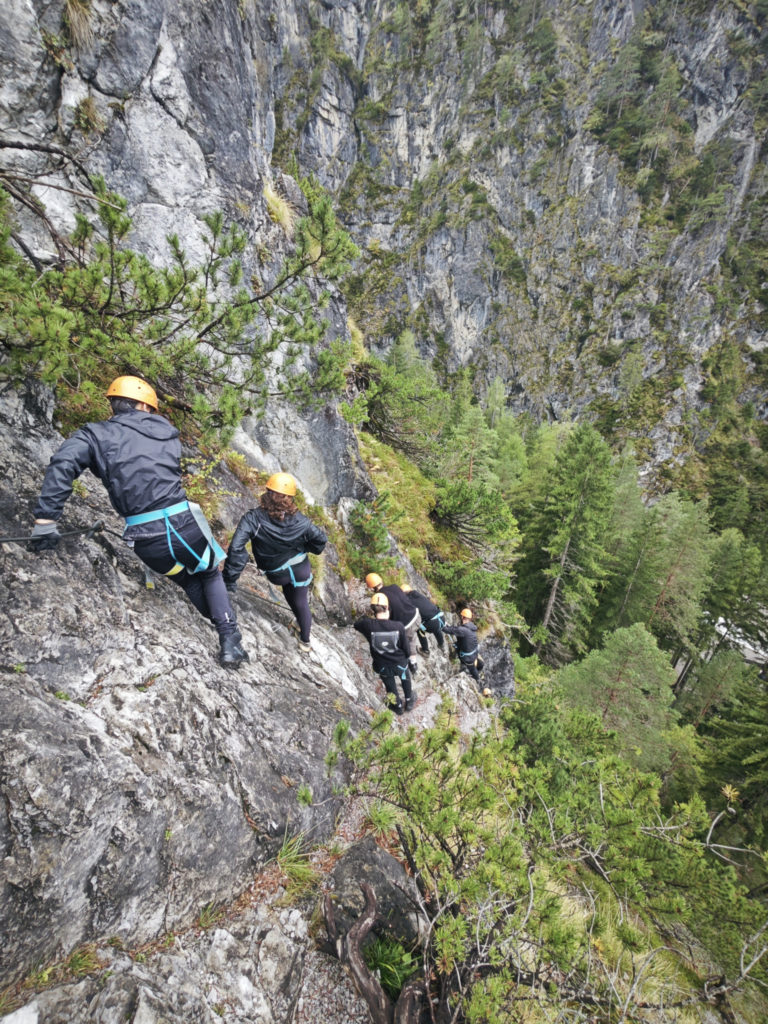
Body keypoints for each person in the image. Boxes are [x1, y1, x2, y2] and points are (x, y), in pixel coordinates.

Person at [29, 376, 248, 668]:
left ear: (113, 404)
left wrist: (46, 518)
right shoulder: (166, 431)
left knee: (186, 580)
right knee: (208, 573)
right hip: (185, 527)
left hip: (147, 540)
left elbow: (63, 463)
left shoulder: (94, 435)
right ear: (145, 405)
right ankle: (229, 639)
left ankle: (226, 630)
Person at [222, 472, 327, 653]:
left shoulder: (253, 519)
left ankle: (301, 629)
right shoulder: (302, 522)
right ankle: (305, 642)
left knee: (288, 591)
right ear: (291, 498)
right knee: (301, 602)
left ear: (268, 493)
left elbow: (236, 548)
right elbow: (320, 542)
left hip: (277, 573)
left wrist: (230, 580)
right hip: (300, 567)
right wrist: (306, 548)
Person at [354, 592, 416, 714]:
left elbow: (356, 625)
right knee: (405, 678)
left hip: (382, 666)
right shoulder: (398, 626)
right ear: (387, 607)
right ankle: (409, 700)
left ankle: (397, 706)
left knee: (390, 684)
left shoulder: (367, 625)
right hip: (400, 664)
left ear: (373, 610)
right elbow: (406, 649)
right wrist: (407, 658)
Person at [364, 573, 420, 666]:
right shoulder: (394, 586)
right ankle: (413, 662)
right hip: (416, 615)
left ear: (371, 588)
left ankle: (409, 663)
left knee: (403, 642)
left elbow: (385, 617)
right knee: (412, 638)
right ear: (381, 581)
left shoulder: (380, 598)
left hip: (406, 625)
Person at [401, 583, 446, 656]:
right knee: (436, 628)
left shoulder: (408, 602)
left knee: (419, 630)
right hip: (441, 617)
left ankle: (425, 651)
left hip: (432, 624)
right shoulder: (418, 595)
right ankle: (441, 644)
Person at [443, 607, 484, 684]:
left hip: (468, 656)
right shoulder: (471, 626)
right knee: (457, 646)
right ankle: (464, 666)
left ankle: (477, 679)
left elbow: (448, 630)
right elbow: (457, 630)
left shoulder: (463, 630)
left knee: (471, 667)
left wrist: (441, 626)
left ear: (463, 617)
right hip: (474, 651)